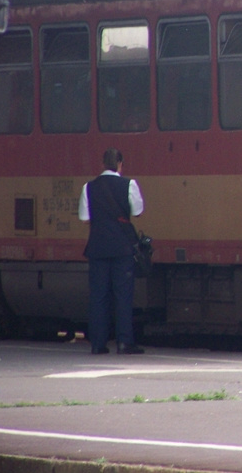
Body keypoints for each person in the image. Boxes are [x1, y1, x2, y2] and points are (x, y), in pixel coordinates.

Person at [78, 148, 145, 355]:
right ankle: (125, 342)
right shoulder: (129, 184)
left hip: (97, 248)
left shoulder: (89, 187)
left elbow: (83, 216)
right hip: (122, 248)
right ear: (120, 164)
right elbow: (137, 211)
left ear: (102, 164)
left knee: (98, 297)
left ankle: (98, 344)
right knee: (123, 296)